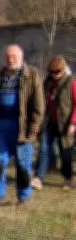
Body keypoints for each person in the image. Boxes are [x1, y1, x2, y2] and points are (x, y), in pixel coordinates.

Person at [0, 44, 44, 206]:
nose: (10, 60)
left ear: (21, 58)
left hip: (22, 128)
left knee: (22, 163)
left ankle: (24, 196)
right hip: (1, 126)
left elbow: (39, 106)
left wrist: (34, 129)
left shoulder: (31, 75)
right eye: (8, 57)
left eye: (14, 57)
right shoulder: (0, 75)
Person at [32, 55, 76, 190]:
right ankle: (38, 178)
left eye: (57, 72)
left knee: (65, 152)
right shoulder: (48, 83)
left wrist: (73, 123)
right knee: (44, 150)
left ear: (63, 70)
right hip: (49, 122)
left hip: (65, 124)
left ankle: (67, 179)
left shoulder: (72, 83)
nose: (54, 75)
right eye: (51, 72)